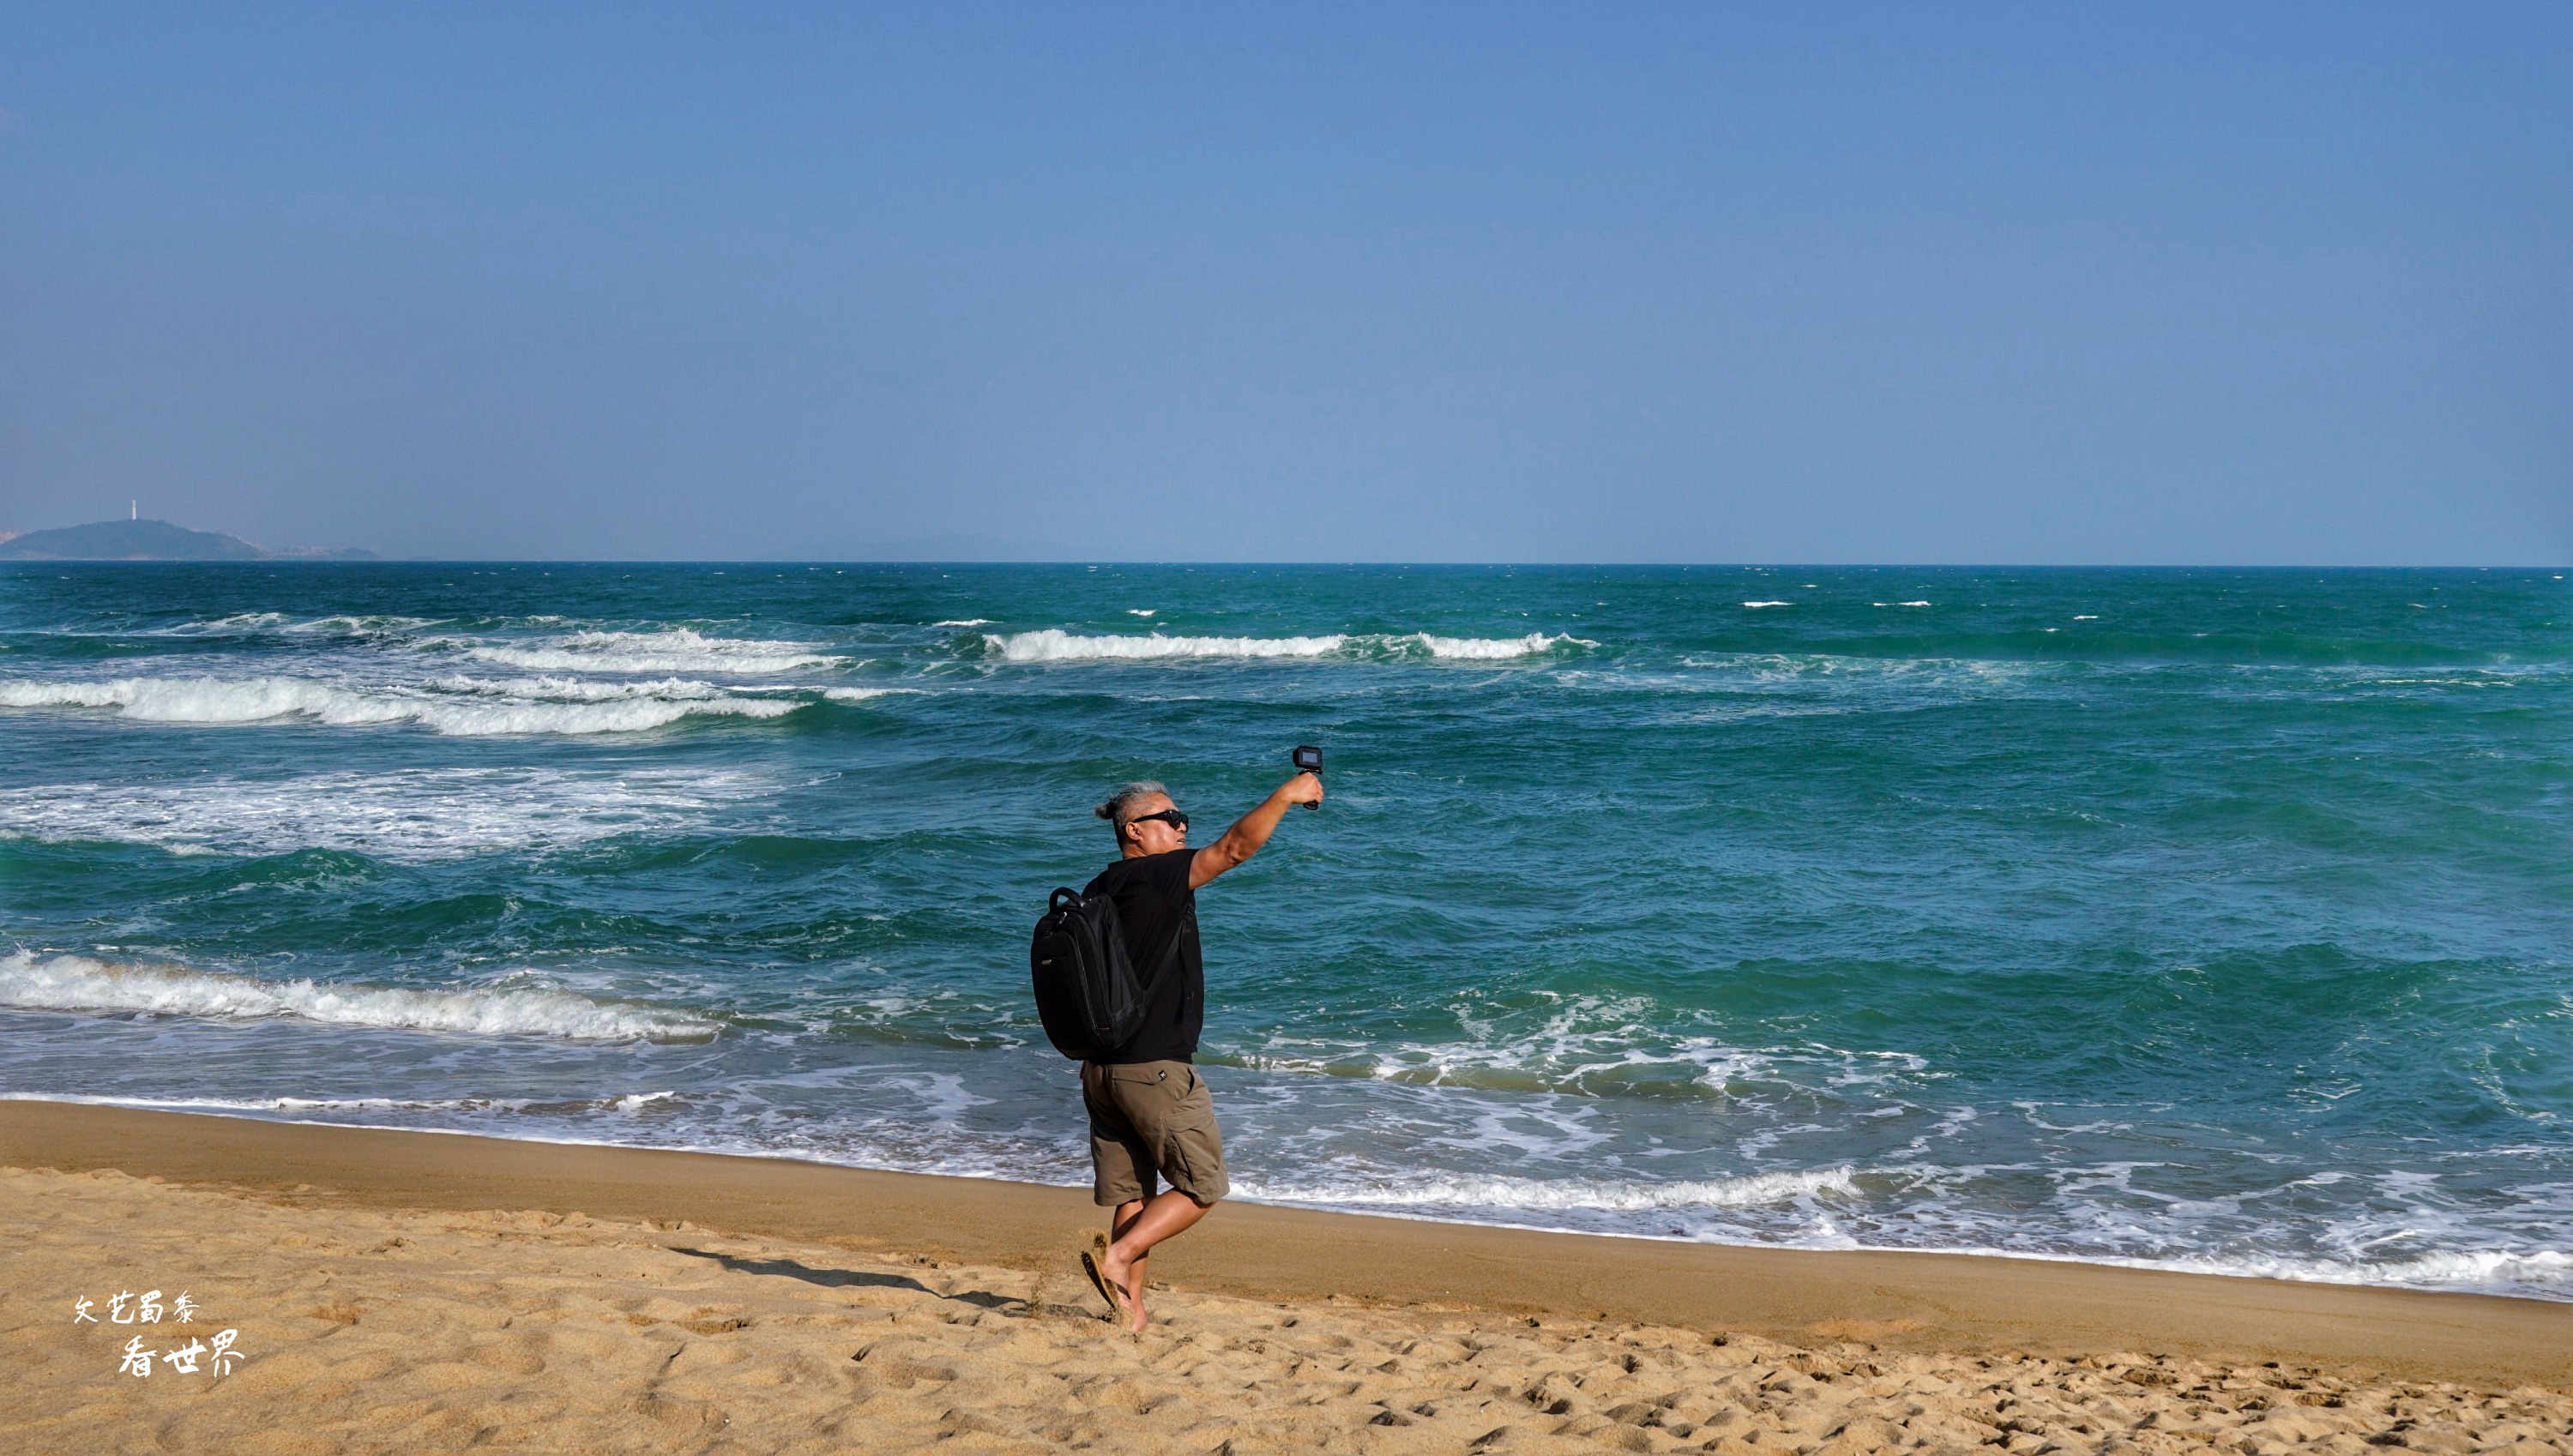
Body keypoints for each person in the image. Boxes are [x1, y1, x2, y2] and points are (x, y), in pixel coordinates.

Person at [1076, 769, 1323, 1333]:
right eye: (1168, 818)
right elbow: (1234, 849)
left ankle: (1130, 1313)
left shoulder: (1098, 888)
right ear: (1133, 830)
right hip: (1154, 1069)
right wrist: (1286, 794)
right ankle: (1115, 1260)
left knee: (1134, 1194)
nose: (1181, 825)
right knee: (1201, 1187)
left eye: (1181, 817)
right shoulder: (1156, 876)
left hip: (1101, 1071)